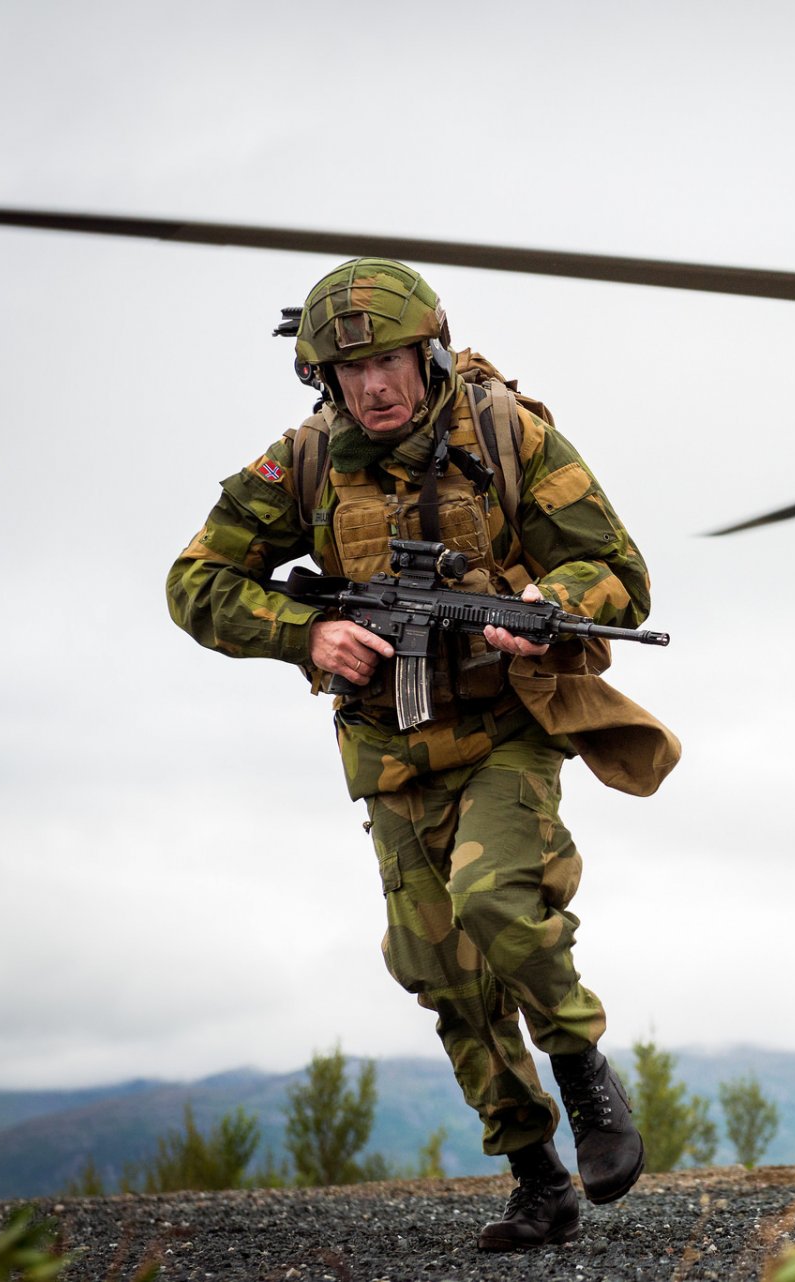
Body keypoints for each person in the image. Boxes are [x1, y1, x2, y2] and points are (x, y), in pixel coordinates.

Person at [167, 258, 678, 1251]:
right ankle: (537, 1176)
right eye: (349, 373)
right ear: (323, 378)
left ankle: (583, 1072)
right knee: (441, 970)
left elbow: (619, 572)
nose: (376, 387)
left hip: (506, 731)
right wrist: (302, 632)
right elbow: (196, 580)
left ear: (429, 348)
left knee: (497, 903)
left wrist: (546, 606)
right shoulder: (305, 462)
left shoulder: (506, 432)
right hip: (388, 750)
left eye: (391, 362)